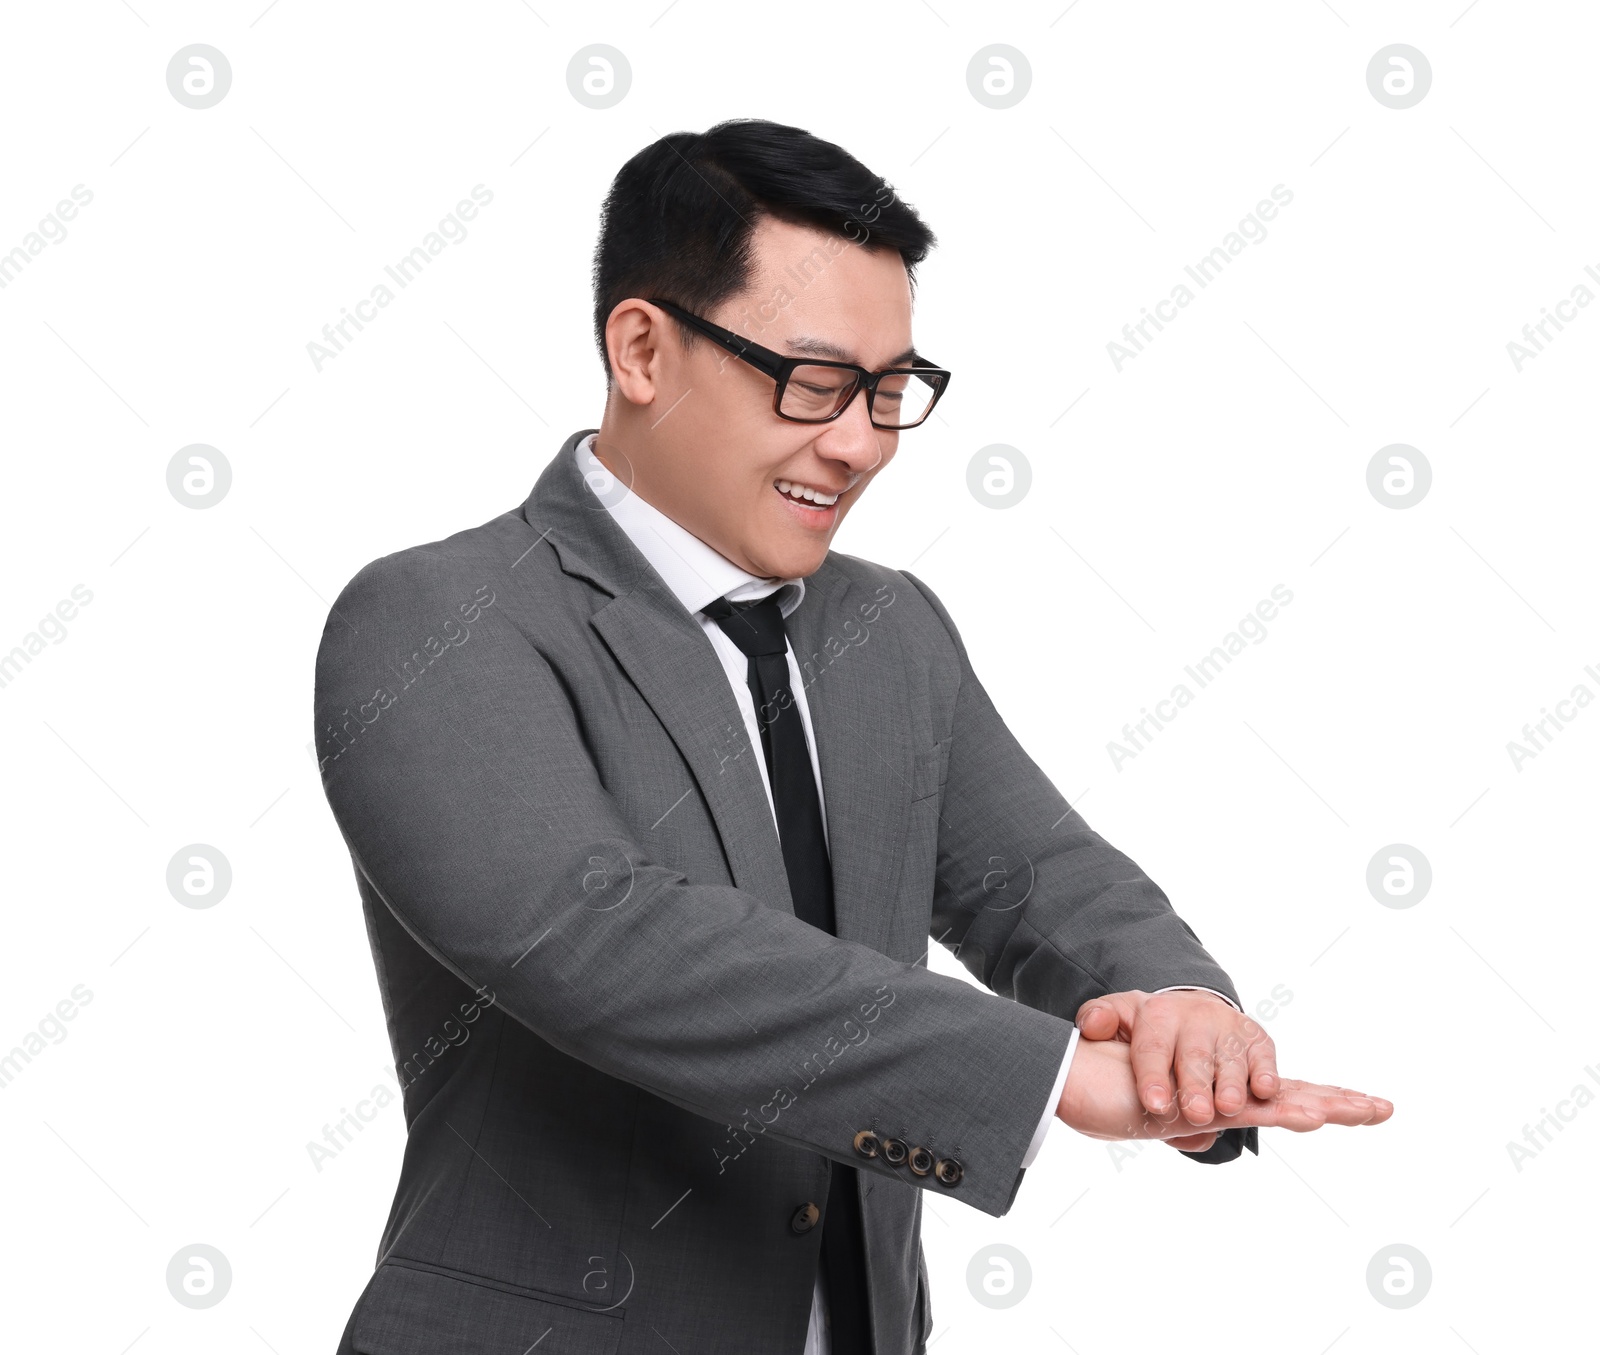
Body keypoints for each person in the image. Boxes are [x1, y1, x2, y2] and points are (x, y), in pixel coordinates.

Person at [317, 117, 1391, 1355]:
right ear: (643, 349)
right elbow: (602, 935)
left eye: (891, 391)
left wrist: (1175, 1007)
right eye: (815, 383)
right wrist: (1043, 1076)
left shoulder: (887, 623)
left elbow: (1032, 875)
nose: (861, 442)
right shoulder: (437, 619)